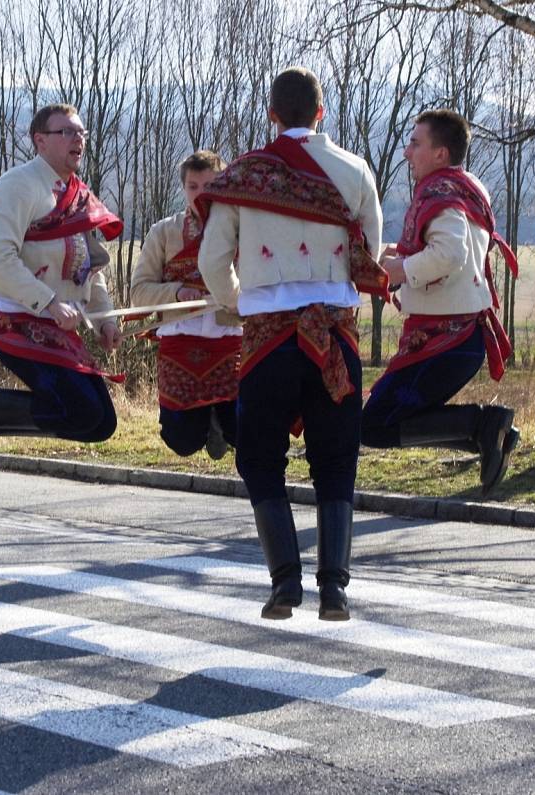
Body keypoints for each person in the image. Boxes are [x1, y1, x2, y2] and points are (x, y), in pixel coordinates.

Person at [197, 67, 387, 621]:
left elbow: (212, 260)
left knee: (259, 457)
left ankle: (284, 583)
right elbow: (368, 252)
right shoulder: (356, 171)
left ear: (272, 115)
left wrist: (237, 302)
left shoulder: (244, 175)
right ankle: (335, 590)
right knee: (336, 461)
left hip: (269, 337)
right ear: (321, 113)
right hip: (334, 336)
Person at [0, 103, 124, 477]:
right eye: (67, 132)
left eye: (81, 132)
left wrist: (105, 319)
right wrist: (48, 302)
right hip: (14, 317)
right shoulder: (15, 186)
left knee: (100, 424)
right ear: (40, 140)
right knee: (85, 413)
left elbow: (88, 266)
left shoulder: (79, 194)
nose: (78, 139)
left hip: (55, 320)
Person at [361, 109, 519, 496]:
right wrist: (394, 258)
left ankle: (485, 426)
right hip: (455, 339)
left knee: (373, 425)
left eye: (416, 143)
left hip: (446, 342)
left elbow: (450, 254)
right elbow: (443, 250)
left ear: (440, 154)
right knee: (382, 422)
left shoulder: (441, 193)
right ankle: (488, 432)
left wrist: (400, 271)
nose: (406, 152)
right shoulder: (463, 187)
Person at [131, 151, 241, 460]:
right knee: (181, 440)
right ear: (183, 188)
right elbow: (139, 292)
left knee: (244, 431)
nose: (201, 193)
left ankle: (222, 423)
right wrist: (177, 293)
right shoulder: (163, 232)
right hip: (179, 345)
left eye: (210, 185)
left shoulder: (243, 230)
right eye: (193, 186)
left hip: (231, 342)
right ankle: (206, 424)